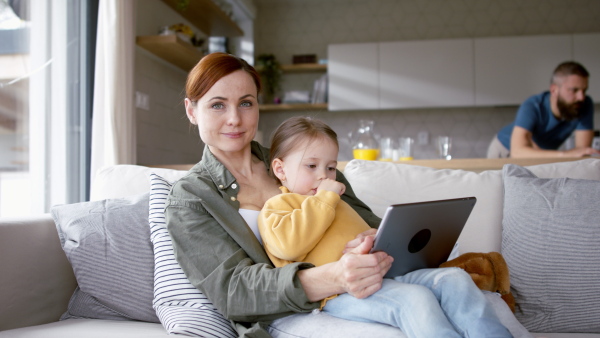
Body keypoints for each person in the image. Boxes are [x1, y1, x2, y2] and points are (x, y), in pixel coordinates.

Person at [164, 52, 393, 337]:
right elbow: (234, 291)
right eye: (217, 105)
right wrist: (335, 277)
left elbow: (377, 225)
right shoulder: (191, 198)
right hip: (287, 317)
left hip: (363, 291)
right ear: (191, 111)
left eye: (246, 103)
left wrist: (370, 237)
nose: (234, 119)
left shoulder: (305, 160)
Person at [258, 116, 513, 338]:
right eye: (311, 166)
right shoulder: (277, 206)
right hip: (339, 294)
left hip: (383, 275)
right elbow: (289, 246)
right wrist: (325, 198)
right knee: (416, 299)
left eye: (331, 167)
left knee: (455, 278)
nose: (323, 176)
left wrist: (372, 238)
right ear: (280, 169)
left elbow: (350, 238)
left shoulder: (337, 203)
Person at [488, 61, 599, 158]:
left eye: (584, 90)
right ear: (554, 90)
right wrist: (566, 155)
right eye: (574, 90)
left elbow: (582, 151)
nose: (581, 97)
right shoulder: (533, 105)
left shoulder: (584, 104)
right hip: (505, 149)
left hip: (541, 154)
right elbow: (517, 152)